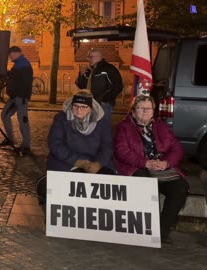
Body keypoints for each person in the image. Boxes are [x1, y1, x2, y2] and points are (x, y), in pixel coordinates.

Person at [114, 95, 189, 244]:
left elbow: (177, 148)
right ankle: (144, 230)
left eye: (148, 109)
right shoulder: (124, 127)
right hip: (135, 166)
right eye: (141, 108)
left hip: (160, 167)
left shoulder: (161, 126)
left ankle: (162, 231)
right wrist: (145, 162)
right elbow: (121, 151)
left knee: (180, 187)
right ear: (133, 111)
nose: (145, 112)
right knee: (145, 184)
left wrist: (167, 163)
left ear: (153, 111)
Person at [46, 90, 115, 174]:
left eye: (83, 106)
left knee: (109, 175)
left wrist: (98, 163)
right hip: (67, 162)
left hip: (94, 162)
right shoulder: (61, 119)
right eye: (75, 106)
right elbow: (55, 144)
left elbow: (107, 146)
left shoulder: (102, 122)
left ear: (91, 108)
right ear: (71, 106)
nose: (79, 110)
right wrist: (78, 162)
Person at [0, 46, 33, 153]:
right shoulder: (20, 64)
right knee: (5, 115)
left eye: (11, 54)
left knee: (23, 120)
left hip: (20, 97)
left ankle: (26, 145)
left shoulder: (23, 65)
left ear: (18, 53)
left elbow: (21, 82)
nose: (10, 57)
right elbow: (15, 78)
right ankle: (10, 139)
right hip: (15, 97)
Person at [75, 49, 123, 122]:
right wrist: (81, 74)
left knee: (103, 127)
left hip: (103, 105)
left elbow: (118, 86)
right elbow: (81, 86)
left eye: (91, 57)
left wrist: (104, 99)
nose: (88, 59)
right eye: (88, 57)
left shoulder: (109, 69)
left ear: (99, 57)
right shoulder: (89, 70)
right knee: (91, 127)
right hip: (89, 104)